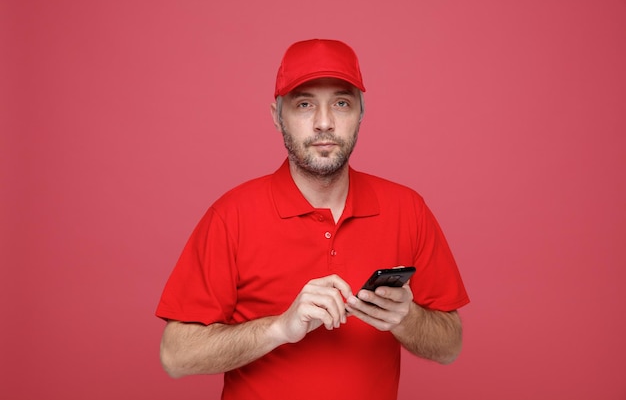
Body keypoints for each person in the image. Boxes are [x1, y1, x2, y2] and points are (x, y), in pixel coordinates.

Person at [156, 39, 469, 400]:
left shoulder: (408, 209)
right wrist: (280, 328)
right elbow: (174, 355)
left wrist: (407, 318)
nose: (324, 123)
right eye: (304, 104)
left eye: (341, 103)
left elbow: (450, 346)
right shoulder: (230, 216)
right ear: (276, 115)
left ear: (361, 113)